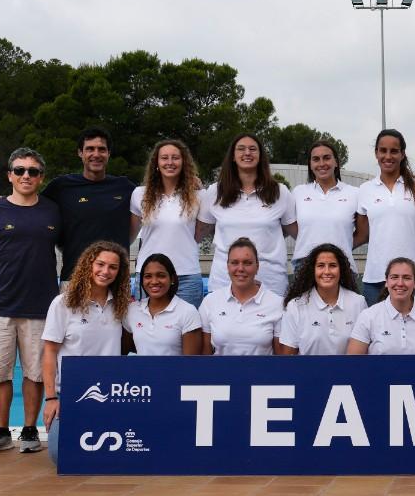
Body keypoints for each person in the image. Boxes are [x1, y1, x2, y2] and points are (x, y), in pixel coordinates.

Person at [0, 148, 61, 454]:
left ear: (41, 177)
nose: (26, 176)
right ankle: (1, 431)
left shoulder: (52, 211)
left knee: (35, 373)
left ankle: (30, 430)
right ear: (9, 175)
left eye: (33, 171)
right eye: (19, 170)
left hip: (40, 307)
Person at [0, 128, 136, 282]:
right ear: (80, 153)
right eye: (90, 149)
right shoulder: (62, 186)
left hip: (115, 281)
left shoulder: (126, 187)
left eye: (101, 149)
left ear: (108, 153)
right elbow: (26, 201)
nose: (96, 154)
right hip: (74, 279)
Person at [41, 241, 130, 466]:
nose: (105, 271)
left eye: (113, 267)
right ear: (88, 265)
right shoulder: (63, 303)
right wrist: (51, 398)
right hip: (70, 394)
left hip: (111, 394)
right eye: (100, 264)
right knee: (60, 457)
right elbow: (49, 352)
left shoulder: (121, 305)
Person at [197, 133, 296, 297]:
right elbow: (196, 234)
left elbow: (297, 233)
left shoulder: (280, 192)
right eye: (241, 149)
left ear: (261, 156)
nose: (247, 153)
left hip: (270, 284)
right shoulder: (215, 191)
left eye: (253, 149)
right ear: (233, 157)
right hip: (224, 283)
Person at [354, 129, 415, 307]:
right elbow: (363, 235)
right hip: (375, 278)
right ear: (376, 153)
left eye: (394, 151)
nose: (388, 156)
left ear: (402, 154)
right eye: (383, 150)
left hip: (412, 278)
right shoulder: (364, 190)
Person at [130, 140, 204, 307]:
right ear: (157, 163)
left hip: (187, 275)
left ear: (183, 162)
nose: (170, 162)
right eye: (164, 158)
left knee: (188, 330)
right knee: (148, 328)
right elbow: (129, 237)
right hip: (149, 275)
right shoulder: (139, 195)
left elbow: (200, 235)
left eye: (175, 158)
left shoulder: (198, 196)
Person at [198, 237, 284, 355]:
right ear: (227, 266)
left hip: (262, 373)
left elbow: (281, 358)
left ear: (257, 266)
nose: (240, 268)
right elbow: (205, 355)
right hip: (220, 373)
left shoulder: (277, 304)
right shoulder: (210, 302)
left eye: (247, 263)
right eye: (234, 263)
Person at [279, 243, 366, 355]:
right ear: (312, 270)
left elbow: (364, 354)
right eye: (320, 265)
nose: (327, 272)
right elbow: (288, 357)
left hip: (348, 372)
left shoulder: (358, 303)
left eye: (333, 265)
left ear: (341, 270)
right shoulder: (295, 305)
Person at [347, 258, 415, 355]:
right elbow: (353, 363)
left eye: (406, 278)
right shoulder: (368, 316)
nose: (400, 283)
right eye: (394, 277)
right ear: (386, 282)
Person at [290, 140, 358, 272]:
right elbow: (292, 227)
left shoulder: (354, 193)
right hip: (304, 265)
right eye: (316, 159)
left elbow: (363, 233)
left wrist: (343, 245)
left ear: (336, 162)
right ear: (310, 164)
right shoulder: (298, 192)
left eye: (326, 158)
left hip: (342, 265)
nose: (322, 164)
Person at [123, 254, 203, 356]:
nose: (154, 281)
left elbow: (191, 364)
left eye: (161, 275)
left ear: (172, 279)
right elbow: (126, 351)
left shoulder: (187, 311)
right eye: (148, 276)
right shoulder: (132, 310)